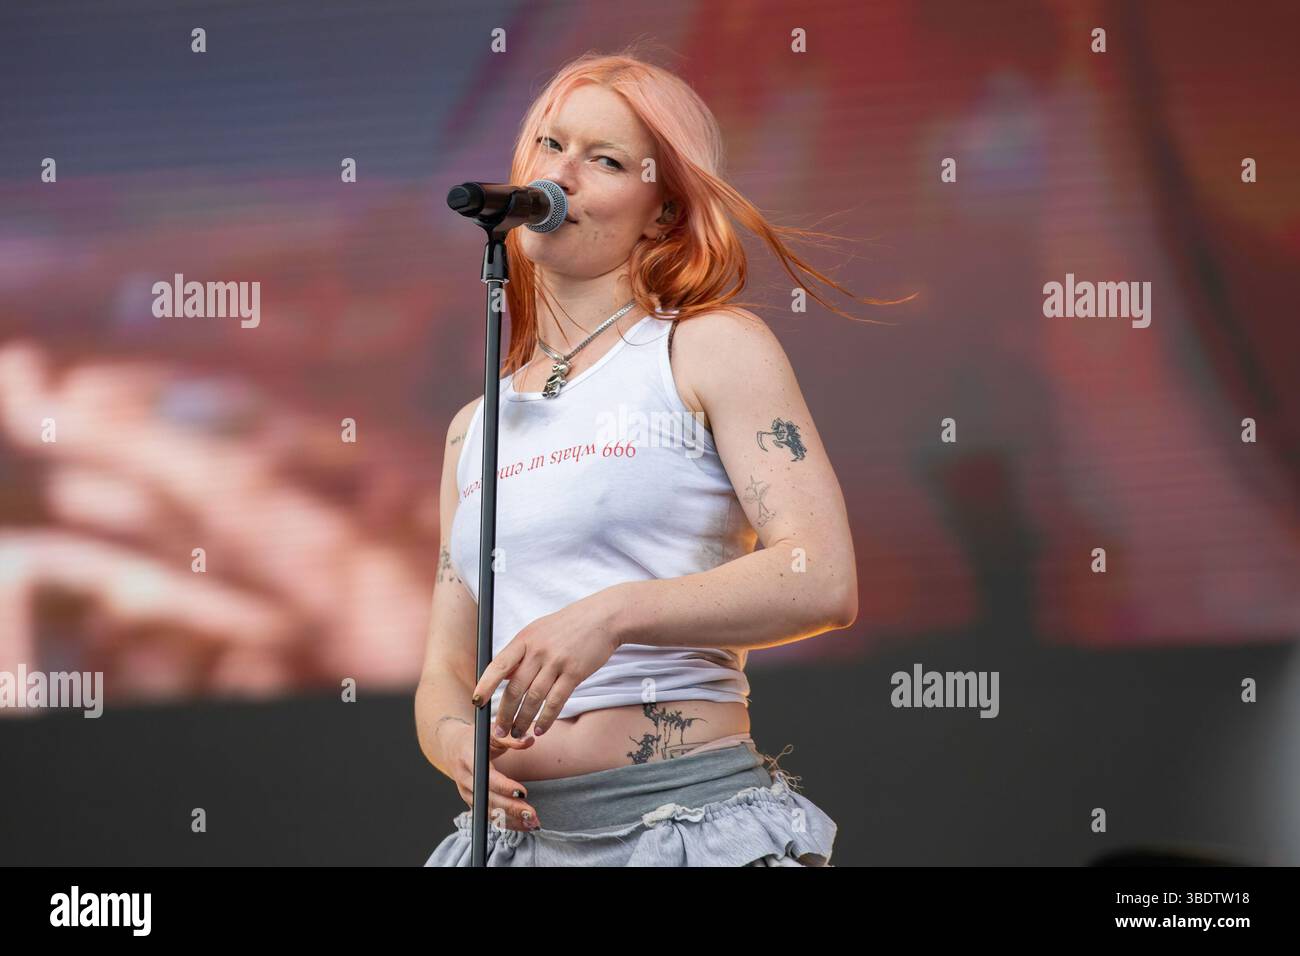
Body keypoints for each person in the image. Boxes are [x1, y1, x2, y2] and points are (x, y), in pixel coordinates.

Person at [415, 48, 906, 866]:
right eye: (549, 145)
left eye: (603, 160)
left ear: (663, 215)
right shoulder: (475, 426)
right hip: (515, 842)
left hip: (685, 828)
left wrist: (613, 614)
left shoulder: (707, 349)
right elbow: (445, 664)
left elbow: (822, 578)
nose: (561, 174)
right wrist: (447, 741)